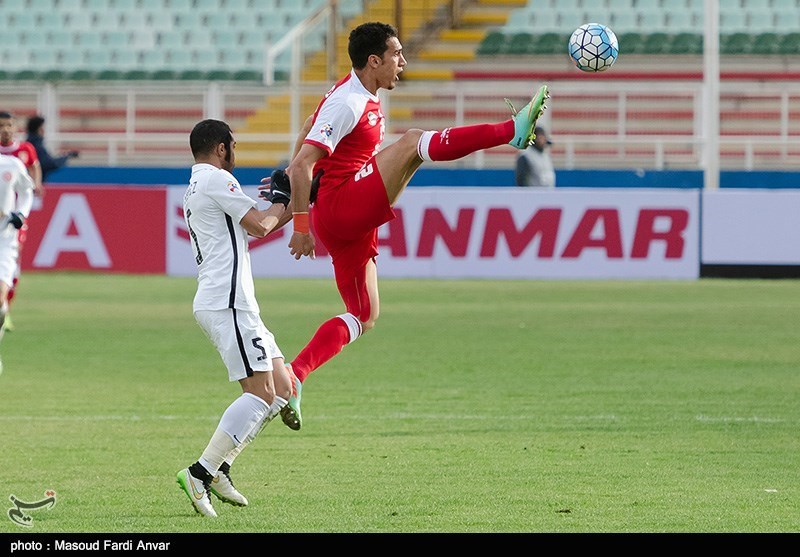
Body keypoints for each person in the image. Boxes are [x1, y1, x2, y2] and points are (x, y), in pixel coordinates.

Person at [273, 21, 549, 431]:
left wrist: (294, 180)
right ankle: (512, 130)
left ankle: (295, 375)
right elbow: (301, 164)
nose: (403, 62)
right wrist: (300, 224)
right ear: (373, 61)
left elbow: (305, 135)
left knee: (364, 315)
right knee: (412, 143)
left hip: (346, 217)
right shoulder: (348, 102)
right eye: (396, 54)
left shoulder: (353, 93)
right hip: (340, 206)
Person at [176, 119, 295, 518]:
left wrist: (291, 199)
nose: (236, 151)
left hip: (232, 301)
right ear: (222, 148)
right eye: (234, 144)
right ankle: (200, 473)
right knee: (261, 393)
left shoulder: (196, 185)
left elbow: (264, 221)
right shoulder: (216, 180)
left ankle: (222, 467)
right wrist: (280, 199)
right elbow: (263, 225)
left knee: (282, 387)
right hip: (228, 302)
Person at [0, 111, 43, 332]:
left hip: (10, 226)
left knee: (12, 269)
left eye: (9, 125)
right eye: (2, 126)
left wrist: (37, 185)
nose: (6, 130)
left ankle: (6, 308)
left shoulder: (21, 154)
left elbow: (33, 170)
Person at [0, 154, 35, 373]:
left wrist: (21, 213)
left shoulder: (11, 164)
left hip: (3, 241)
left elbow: (27, 190)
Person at [25, 115, 79, 183]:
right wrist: (66, 156)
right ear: (39, 129)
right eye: (42, 127)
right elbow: (50, 164)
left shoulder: (27, 144)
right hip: (33, 185)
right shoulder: (36, 146)